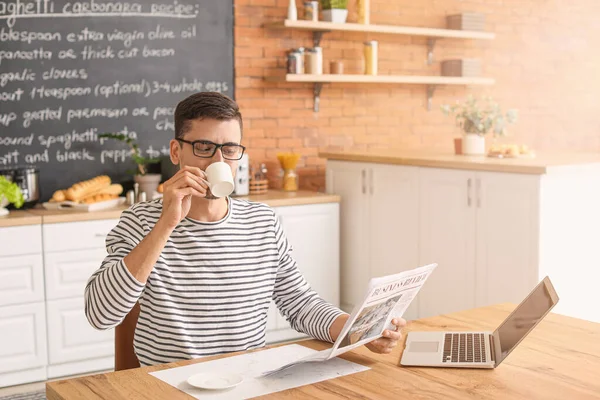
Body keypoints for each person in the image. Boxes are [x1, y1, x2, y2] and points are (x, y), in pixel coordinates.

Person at [84, 91, 406, 366]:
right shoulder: (140, 221)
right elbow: (100, 314)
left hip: (245, 382)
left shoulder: (263, 222)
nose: (218, 161)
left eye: (229, 150)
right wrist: (165, 226)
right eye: (203, 147)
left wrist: (358, 329)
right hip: (168, 388)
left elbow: (299, 303)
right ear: (175, 151)